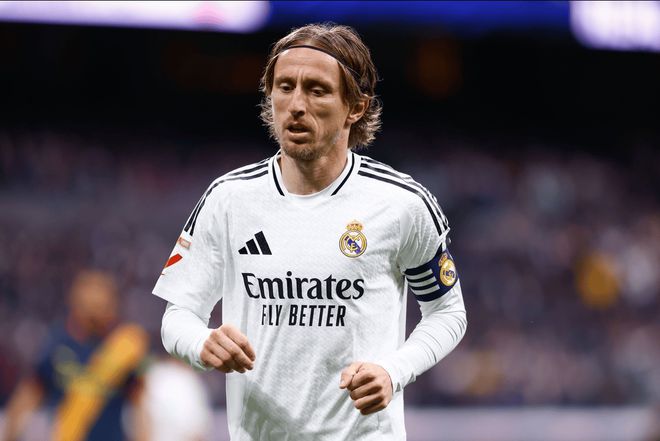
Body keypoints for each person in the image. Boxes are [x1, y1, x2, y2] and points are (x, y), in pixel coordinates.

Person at [154, 23, 467, 440]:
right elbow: (178, 317)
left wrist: (394, 371)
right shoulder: (229, 199)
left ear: (355, 107)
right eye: (284, 87)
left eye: (317, 90)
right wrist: (201, 343)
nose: (296, 105)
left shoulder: (401, 204)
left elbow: (447, 312)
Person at [1, 270, 149, 441]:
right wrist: (9, 434)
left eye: (101, 305)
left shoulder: (123, 347)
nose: (96, 312)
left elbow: (139, 406)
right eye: (91, 305)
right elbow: (29, 395)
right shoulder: (59, 344)